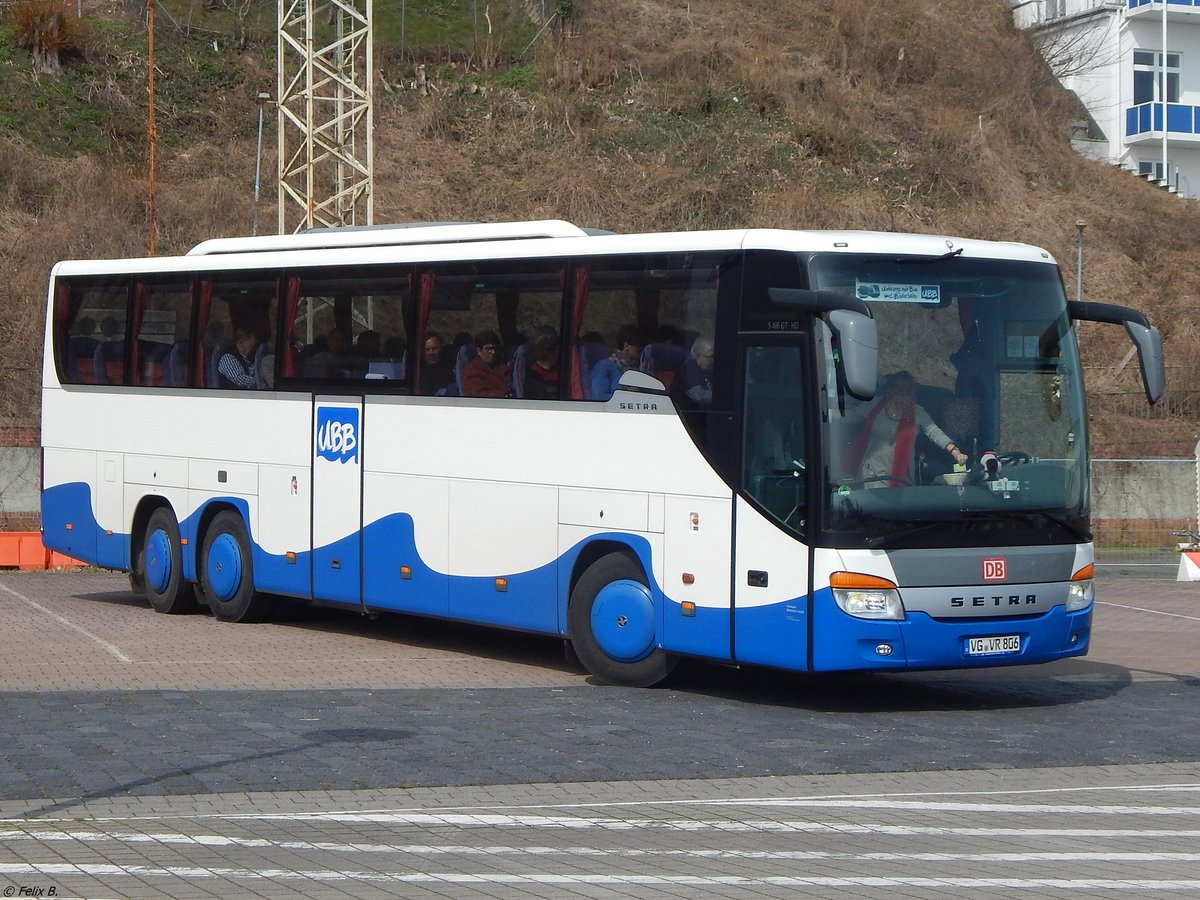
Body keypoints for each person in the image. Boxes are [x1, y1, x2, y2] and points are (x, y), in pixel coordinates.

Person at [846, 371, 967, 487]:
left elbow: (934, 432)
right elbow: (848, 416)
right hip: (871, 474)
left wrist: (954, 451)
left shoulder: (918, 412)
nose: (905, 397)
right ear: (890, 391)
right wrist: (831, 412)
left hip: (902, 476)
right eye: (901, 391)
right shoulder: (874, 406)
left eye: (909, 392)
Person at [589, 325, 644, 401]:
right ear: (627, 345)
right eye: (638, 345)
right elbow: (599, 397)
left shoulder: (637, 369)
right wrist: (629, 400)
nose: (641, 349)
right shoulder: (604, 366)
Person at [462, 329, 510, 398]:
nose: (493, 352)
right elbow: (476, 394)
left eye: (494, 349)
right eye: (488, 349)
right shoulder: (472, 371)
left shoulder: (504, 366)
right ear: (479, 351)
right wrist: (502, 395)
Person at [670, 336, 714, 408]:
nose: (712, 360)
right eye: (709, 356)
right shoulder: (688, 369)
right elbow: (698, 395)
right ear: (698, 355)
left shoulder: (707, 369)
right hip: (687, 413)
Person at [416, 331, 455, 395]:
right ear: (422, 352)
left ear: (441, 348)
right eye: (427, 349)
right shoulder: (417, 373)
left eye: (434, 348)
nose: (431, 353)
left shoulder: (449, 369)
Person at [524, 332, 560, 400]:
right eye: (556, 349)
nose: (558, 353)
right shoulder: (532, 377)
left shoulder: (561, 370)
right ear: (548, 352)